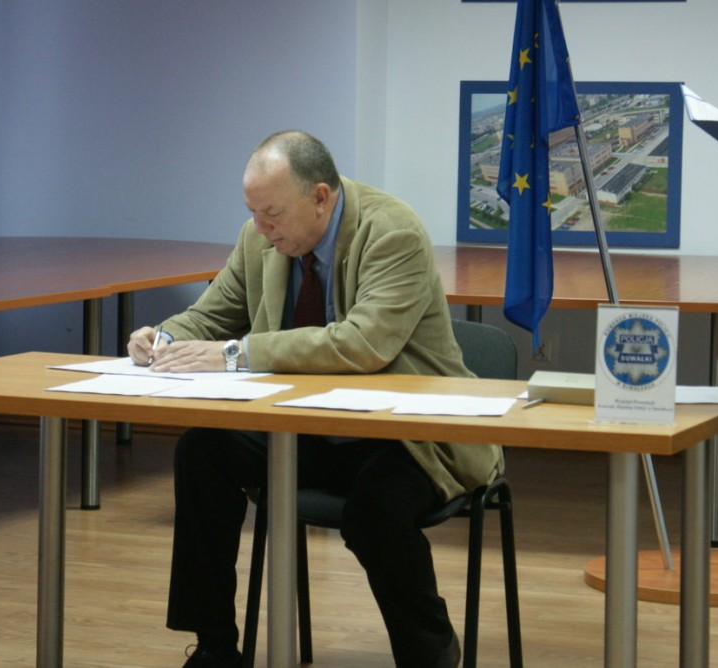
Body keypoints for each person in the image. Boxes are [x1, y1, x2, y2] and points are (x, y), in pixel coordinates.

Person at [127, 130, 504, 668]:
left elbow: (362, 343)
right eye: (253, 212)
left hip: (407, 435)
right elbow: (211, 315)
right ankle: (215, 648)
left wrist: (234, 354)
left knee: (374, 513)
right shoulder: (260, 238)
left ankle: (432, 655)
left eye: (272, 214)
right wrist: (161, 337)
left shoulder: (391, 232)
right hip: (310, 430)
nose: (261, 228)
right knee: (203, 451)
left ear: (320, 197)